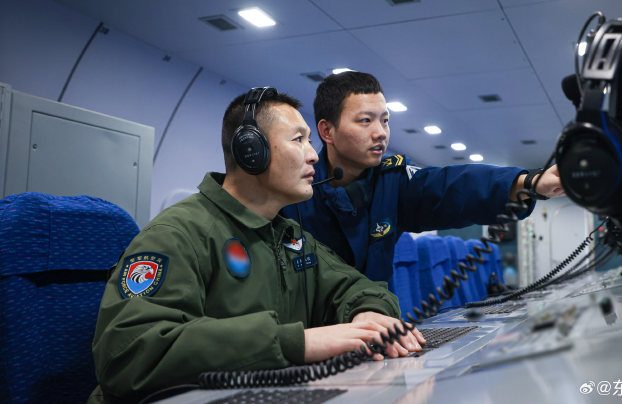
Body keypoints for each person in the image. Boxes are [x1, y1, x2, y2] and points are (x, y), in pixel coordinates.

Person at [89, 88, 424, 403]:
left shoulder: (289, 236)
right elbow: (128, 352)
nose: (312, 155)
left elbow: (356, 287)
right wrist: (298, 343)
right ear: (251, 152)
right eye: (299, 140)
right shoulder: (176, 234)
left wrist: (368, 314)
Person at [282, 72, 564, 283]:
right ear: (327, 131)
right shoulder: (292, 192)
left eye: (385, 120)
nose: (381, 132)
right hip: (314, 341)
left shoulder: (392, 181)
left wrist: (528, 183)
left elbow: (449, 187)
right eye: (366, 120)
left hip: (378, 332)